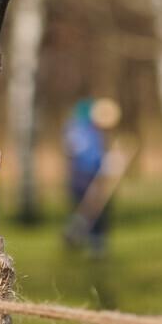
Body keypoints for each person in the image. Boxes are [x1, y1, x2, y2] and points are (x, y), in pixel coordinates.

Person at [63, 98, 121, 256]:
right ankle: (93, 243)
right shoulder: (88, 131)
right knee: (95, 210)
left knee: (85, 207)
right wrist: (108, 164)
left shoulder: (71, 127)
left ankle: (76, 234)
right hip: (89, 174)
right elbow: (91, 155)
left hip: (77, 175)